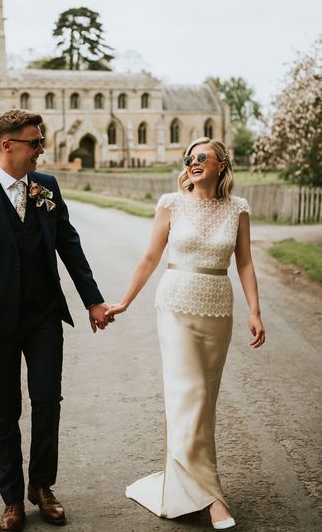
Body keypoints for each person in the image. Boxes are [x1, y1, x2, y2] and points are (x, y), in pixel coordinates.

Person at [0, 109, 111, 532]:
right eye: (34, 143)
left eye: (41, 142)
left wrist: (93, 301)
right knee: (4, 410)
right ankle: (11, 500)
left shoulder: (47, 187)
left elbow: (69, 246)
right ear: (8, 146)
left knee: (46, 401)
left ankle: (42, 487)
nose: (42, 149)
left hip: (43, 316)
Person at [105, 137, 265, 529]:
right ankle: (213, 497)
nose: (193, 162)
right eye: (189, 157)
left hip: (218, 308)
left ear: (221, 165)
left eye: (202, 157)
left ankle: (185, 485)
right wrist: (125, 301)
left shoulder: (238, 209)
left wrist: (255, 312)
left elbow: (244, 263)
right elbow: (150, 257)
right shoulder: (171, 204)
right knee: (188, 396)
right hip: (175, 305)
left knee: (203, 403)